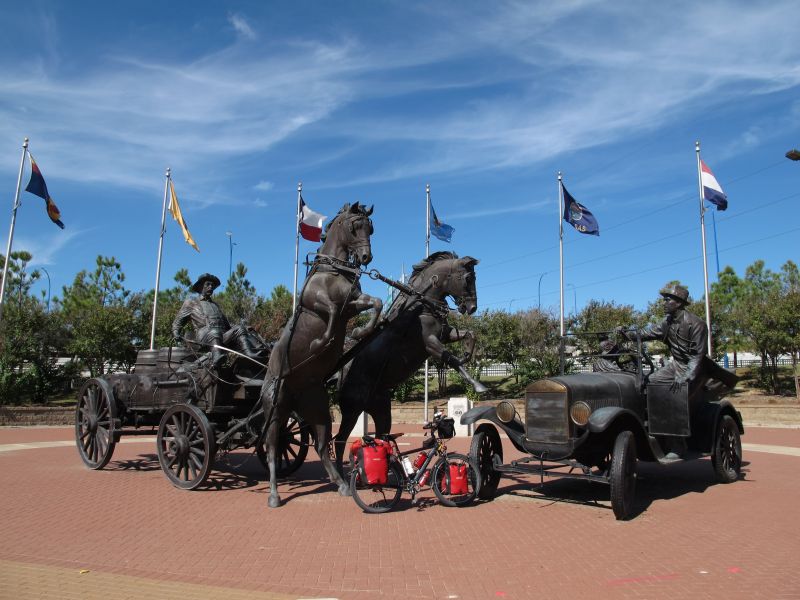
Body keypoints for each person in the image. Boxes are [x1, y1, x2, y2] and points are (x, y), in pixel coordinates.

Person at [172, 273, 261, 368]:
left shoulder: (215, 305)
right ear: (201, 286)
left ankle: (249, 354)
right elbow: (178, 321)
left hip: (222, 336)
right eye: (208, 284)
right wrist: (176, 333)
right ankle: (217, 357)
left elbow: (227, 325)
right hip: (203, 337)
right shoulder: (191, 303)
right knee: (214, 331)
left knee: (239, 329)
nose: (211, 287)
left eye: (212, 285)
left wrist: (244, 328)